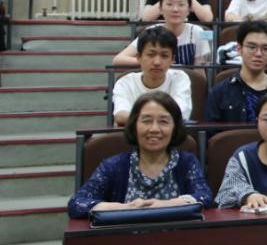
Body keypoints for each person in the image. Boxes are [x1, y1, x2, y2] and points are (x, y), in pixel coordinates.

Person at [69, 92, 212, 218]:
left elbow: (204, 197)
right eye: (146, 121)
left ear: (174, 127)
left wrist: (167, 205)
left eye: (163, 121)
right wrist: (125, 208)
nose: (154, 129)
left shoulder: (187, 162)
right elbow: (77, 203)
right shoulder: (114, 165)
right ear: (134, 125)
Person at [204, 20, 267, 123]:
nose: (258, 54)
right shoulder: (220, 92)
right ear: (239, 49)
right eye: (252, 47)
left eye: (265, 48)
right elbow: (211, 131)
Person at [111, 27, 192, 126]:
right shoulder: (125, 83)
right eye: (151, 55)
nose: (157, 62)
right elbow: (120, 115)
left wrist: (142, 119)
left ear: (172, 59)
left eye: (164, 56)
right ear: (139, 57)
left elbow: (180, 113)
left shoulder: (180, 78)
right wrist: (161, 118)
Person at [112, 0, 211, 67]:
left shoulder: (198, 32)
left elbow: (200, 70)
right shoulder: (151, 31)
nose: (175, 9)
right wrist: (149, 62)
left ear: (189, 10)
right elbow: (118, 59)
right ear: (160, 9)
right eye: (169, 4)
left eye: (181, 5)